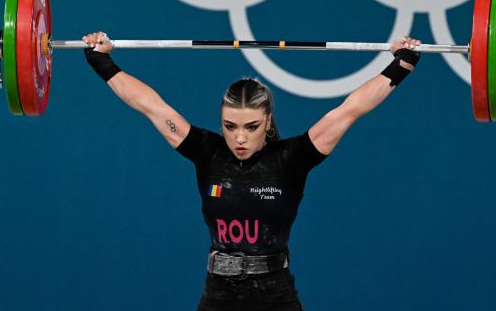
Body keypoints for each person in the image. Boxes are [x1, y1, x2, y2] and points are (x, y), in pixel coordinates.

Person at [82, 31, 421, 310]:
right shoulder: (206, 152)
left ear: (268, 122)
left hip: (275, 294)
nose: (239, 137)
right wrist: (102, 61)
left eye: (251, 126)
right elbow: (150, 105)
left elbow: (351, 109)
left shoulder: (292, 158)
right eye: (230, 126)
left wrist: (401, 65)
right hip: (219, 294)